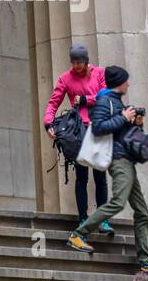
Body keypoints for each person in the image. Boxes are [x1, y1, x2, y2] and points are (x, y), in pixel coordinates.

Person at [67, 65, 148, 275]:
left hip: (127, 160)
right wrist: (123, 117)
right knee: (118, 202)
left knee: (142, 212)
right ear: (118, 83)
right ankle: (77, 234)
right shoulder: (105, 101)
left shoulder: (117, 102)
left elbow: (121, 133)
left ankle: (146, 262)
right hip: (118, 160)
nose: (128, 83)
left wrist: (136, 123)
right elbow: (98, 127)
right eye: (126, 80)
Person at [44, 43, 110, 228]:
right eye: (73, 62)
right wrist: (48, 122)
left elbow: (106, 96)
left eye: (79, 62)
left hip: (97, 128)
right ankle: (83, 217)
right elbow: (54, 102)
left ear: (86, 61)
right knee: (82, 177)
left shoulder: (99, 73)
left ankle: (103, 219)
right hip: (78, 132)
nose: (76, 66)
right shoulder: (66, 78)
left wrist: (85, 100)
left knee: (100, 176)